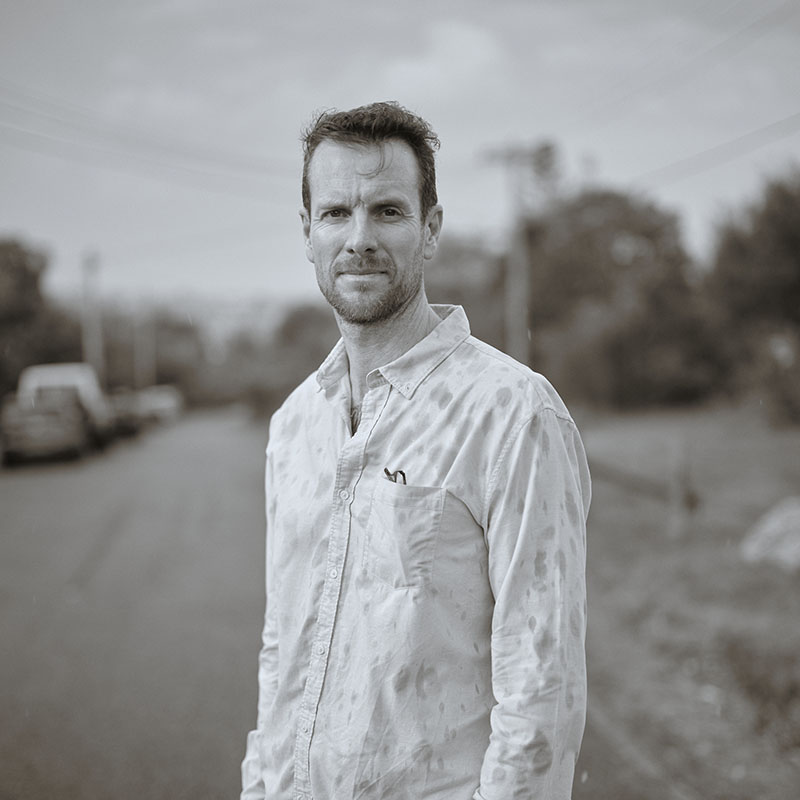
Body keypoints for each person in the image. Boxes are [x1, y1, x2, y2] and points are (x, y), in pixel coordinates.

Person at [241, 101, 591, 800]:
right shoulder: (294, 425)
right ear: (308, 233)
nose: (360, 237)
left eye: (389, 212)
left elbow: (541, 682)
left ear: (430, 231)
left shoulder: (511, 412)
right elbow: (283, 649)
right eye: (337, 213)